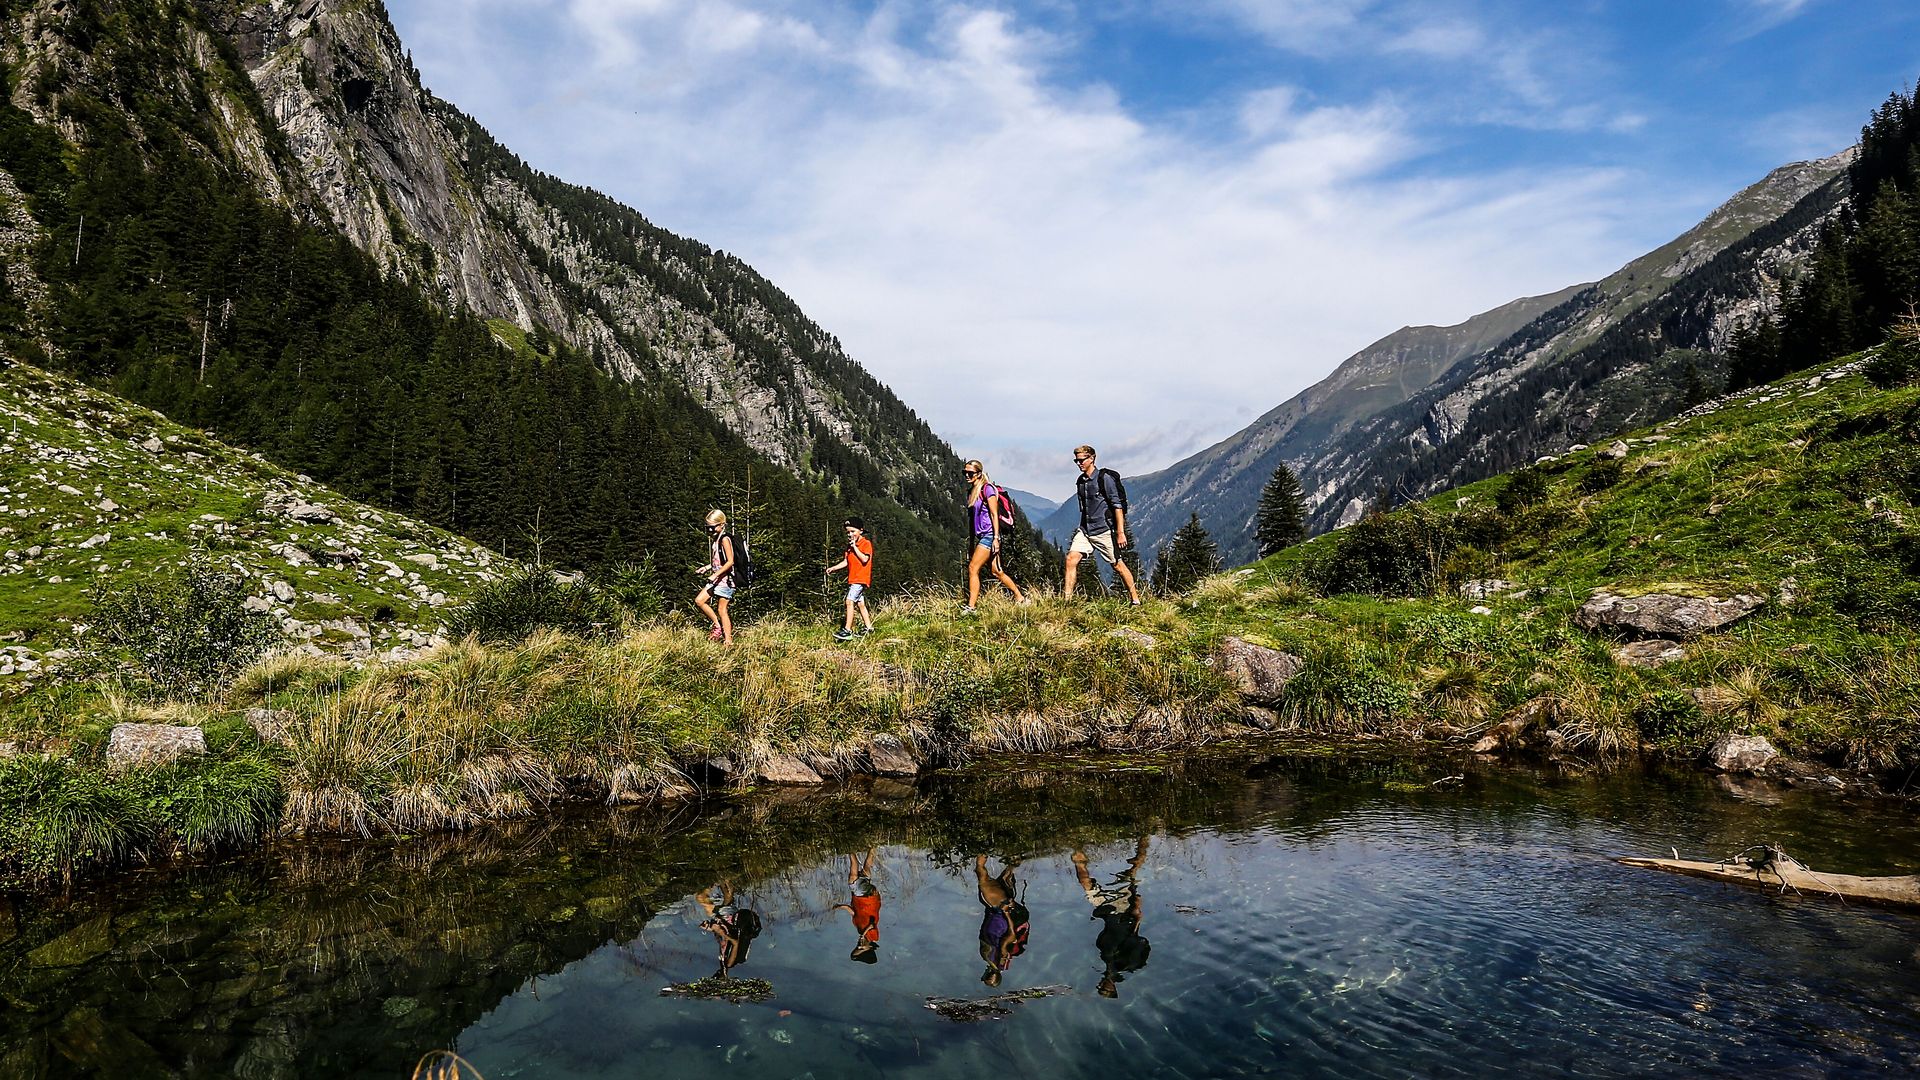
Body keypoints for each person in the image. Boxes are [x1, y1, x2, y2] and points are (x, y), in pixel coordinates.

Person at [1072, 837, 1151, 999]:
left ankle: (1076, 844)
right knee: (1133, 869)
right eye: (1105, 989)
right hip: (1123, 911)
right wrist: (1137, 911)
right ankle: (1145, 836)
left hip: (1105, 912)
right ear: (1114, 989)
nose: (1101, 985)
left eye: (1100, 988)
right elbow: (1137, 938)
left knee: (1085, 882)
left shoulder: (1106, 962)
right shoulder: (1127, 964)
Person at [1064, 446, 1142, 605]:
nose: (1078, 464)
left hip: (1103, 530)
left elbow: (1117, 506)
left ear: (1091, 458)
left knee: (1118, 566)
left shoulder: (1104, 478)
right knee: (1071, 559)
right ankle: (1067, 602)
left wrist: (1120, 532)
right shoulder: (1081, 481)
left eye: (1081, 460)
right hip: (1085, 530)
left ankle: (1135, 599)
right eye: (1076, 461)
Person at [962, 460, 1026, 614]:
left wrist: (996, 538)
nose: (967, 476)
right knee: (996, 571)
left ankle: (971, 607)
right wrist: (971, 543)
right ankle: (1020, 598)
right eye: (964, 472)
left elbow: (994, 513)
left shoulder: (987, 489)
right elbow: (972, 520)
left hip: (990, 535)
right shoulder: (972, 492)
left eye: (970, 473)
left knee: (973, 568)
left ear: (978, 474)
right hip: (982, 535)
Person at [974, 854, 1030, 986]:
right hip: (1000, 911)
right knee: (982, 877)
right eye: (985, 976)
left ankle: (1016, 850)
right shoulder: (998, 960)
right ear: (990, 975)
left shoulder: (992, 960)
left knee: (1006, 875)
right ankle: (981, 848)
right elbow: (1011, 937)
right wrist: (1005, 912)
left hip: (996, 911)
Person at [696, 881, 762, 978]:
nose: (717, 972)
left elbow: (725, 939)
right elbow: (735, 942)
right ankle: (719, 879)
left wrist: (710, 928)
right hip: (728, 920)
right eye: (718, 975)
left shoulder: (723, 962)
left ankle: (722, 878)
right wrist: (720, 932)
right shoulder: (729, 964)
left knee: (727, 898)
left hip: (725, 922)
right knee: (702, 899)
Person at [825, 517, 875, 642]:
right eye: (848, 532)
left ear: (861, 531)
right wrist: (834, 568)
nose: (850, 534)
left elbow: (865, 559)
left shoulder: (865, 544)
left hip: (860, 578)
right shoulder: (849, 547)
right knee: (860, 603)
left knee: (849, 601)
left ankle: (847, 630)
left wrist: (855, 548)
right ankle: (869, 628)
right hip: (853, 578)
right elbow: (846, 561)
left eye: (853, 531)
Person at [830, 847, 882, 963]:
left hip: (863, 896)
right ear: (869, 947)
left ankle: (873, 844)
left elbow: (853, 912)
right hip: (866, 898)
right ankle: (849, 846)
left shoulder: (858, 927)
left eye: (857, 946)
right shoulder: (873, 937)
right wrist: (863, 935)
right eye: (861, 947)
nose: (859, 944)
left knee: (866, 868)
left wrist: (840, 907)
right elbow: (872, 925)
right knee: (853, 876)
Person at [693, 509, 737, 645]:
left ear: (722, 525)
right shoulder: (716, 539)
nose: (710, 530)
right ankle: (717, 626)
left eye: (712, 527)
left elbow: (730, 561)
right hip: (717, 579)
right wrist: (707, 568)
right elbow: (718, 561)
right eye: (708, 528)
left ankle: (728, 640)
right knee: (699, 601)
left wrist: (714, 575)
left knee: (721, 609)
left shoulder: (725, 539)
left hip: (726, 580)